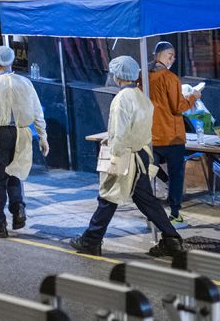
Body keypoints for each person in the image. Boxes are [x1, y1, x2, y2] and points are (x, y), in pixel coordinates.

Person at [69, 56, 184, 257]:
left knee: (108, 196)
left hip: (123, 154)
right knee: (146, 200)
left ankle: (91, 240)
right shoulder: (142, 97)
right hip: (140, 154)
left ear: (118, 76)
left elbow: (120, 133)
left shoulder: (121, 99)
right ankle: (172, 239)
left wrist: (113, 155)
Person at [0, 46, 48, 238]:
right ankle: (18, 210)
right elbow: (38, 112)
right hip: (23, 133)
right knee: (16, 174)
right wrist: (43, 136)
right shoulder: (26, 83)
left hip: (0, 134)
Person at [147, 41, 201, 225]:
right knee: (176, 175)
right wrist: (193, 96)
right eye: (169, 54)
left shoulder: (143, 77)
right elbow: (178, 107)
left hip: (151, 137)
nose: (173, 58)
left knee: (150, 174)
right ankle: (175, 214)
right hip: (172, 137)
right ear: (157, 55)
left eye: (174, 55)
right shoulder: (170, 78)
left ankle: (151, 215)